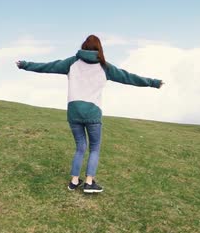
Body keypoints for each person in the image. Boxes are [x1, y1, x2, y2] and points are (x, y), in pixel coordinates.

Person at [16, 34, 163, 194]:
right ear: (99, 48)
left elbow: (48, 66)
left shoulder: (72, 62)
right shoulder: (105, 67)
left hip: (74, 111)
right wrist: (153, 83)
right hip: (93, 112)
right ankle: (88, 182)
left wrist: (25, 64)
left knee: (80, 147)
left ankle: (73, 182)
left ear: (84, 47)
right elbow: (128, 77)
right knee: (94, 148)